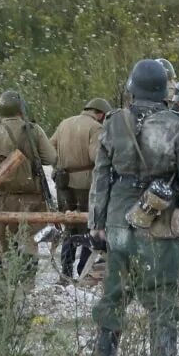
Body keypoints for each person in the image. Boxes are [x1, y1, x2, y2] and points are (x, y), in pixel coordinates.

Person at [89, 58, 179, 356]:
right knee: (163, 296)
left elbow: (101, 175)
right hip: (160, 219)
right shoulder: (178, 124)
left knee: (114, 293)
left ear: (132, 89)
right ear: (164, 90)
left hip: (118, 219)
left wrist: (96, 221)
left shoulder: (113, 122)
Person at [0, 90, 57, 262]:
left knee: (0, 247)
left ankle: (2, 285)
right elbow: (51, 158)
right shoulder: (34, 130)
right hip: (32, 200)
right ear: (21, 108)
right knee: (29, 244)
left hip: (2, 200)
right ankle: (26, 286)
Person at [51, 98, 109, 281]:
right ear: (100, 114)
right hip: (86, 184)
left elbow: (50, 150)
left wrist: (61, 166)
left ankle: (66, 272)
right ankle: (84, 269)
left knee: (69, 226)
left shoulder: (64, 123)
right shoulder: (95, 127)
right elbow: (96, 157)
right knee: (89, 226)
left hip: (63, 183)